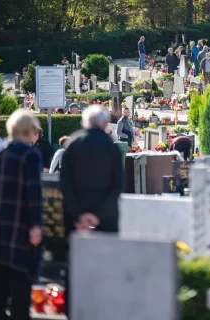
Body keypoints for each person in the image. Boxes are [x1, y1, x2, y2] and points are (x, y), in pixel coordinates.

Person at [60, 105, 123, 317]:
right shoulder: (111, 146)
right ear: (104, 123)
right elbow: (118, 185)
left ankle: (72, 311)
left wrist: (79, 215)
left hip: (75, 217)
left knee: (74, 266)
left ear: (84, 122)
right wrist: (97, 215)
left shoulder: (72, 144)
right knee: (105, 266)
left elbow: (65, 184)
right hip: (105, 217)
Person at [0, 109, 43, 320]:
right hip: (21, 226)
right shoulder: (30, 154)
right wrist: (37, 224)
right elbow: (34, 191)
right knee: (20, 287)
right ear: (29, 130)